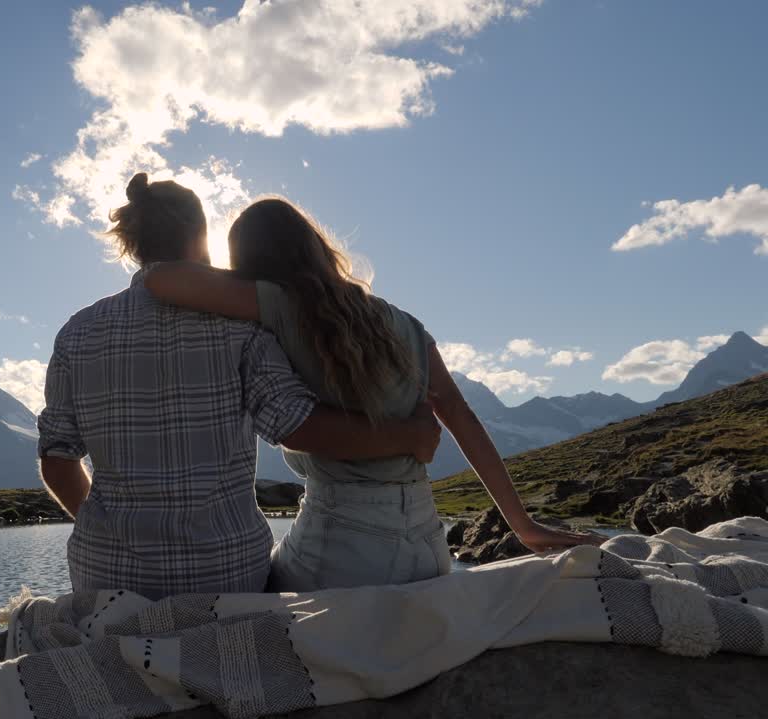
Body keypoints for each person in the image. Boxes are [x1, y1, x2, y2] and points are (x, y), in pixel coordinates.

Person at [144, 197, 600, 591]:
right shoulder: (406, 325)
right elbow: (462, 418)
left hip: (340, 548)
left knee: (258, 587)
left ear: (251, 262)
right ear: (314, 247)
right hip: (427, 546)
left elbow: (159, 279)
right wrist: (521, 525)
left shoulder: (278, 303)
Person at [37, 174, 442, 600]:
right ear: (200, 236)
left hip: (106, 577)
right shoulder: (238, 324)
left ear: (132, 244)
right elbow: (296, 427)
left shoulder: (77, 333)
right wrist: (407, 436)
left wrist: (103, 529)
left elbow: (57, 460)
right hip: (225, 576)